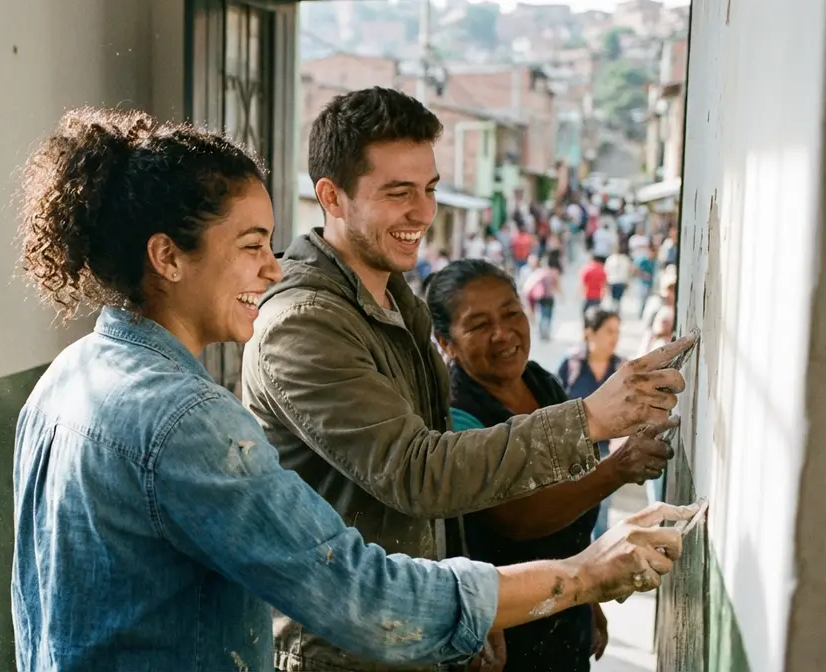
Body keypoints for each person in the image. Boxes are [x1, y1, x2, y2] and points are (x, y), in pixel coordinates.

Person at [240, 87, 697, 672]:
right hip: (343, 648)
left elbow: (434, 498)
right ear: (331, 196)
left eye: (429, 190)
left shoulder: (393, 297)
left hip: (411, 627)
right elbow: (418, 472)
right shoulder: (302, 322)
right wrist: (590, 420)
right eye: (398, 193)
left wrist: (472, 612)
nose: (423, 213)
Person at [426, 260, 677, 672]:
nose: (502, 334)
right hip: (505, 620)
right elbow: (519, 518)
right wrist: (617, 468)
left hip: (566, 602)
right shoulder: (458, 413)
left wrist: (589, 595)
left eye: (510, 313)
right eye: (478, 325)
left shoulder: (540, 381)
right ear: (446, 342)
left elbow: (572, 486)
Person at [557, 308, 625, 540]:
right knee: (571, 508)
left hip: (607, 451)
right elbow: (554, 406)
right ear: (590, 333)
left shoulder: (621, 369)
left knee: (601, 510)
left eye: (617, 332)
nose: (614, 338)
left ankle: (599, 561)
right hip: (573, 451)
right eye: (609, 331)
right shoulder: (571, 365)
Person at [522, 254, 562, 341]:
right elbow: (557, 286)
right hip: (549, 297)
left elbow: (528, 286)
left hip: (540, 297)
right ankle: (546, 333)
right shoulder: (552, 273)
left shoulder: (538, 273)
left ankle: (542, 333)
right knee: (548, 315)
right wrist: (561, 296)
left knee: (542, 314)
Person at [604, 245, 633, 309]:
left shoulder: (612, 259)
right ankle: (614, 311)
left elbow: (628, 271)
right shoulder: (612, 259)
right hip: (616, 281)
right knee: (615, 299)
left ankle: (615, 311)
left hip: (617, 281)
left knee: (616, 299)